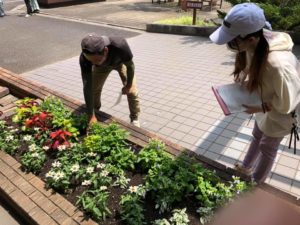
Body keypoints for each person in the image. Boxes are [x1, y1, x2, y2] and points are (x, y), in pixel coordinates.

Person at [209, 3, 300, 184]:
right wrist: (243, 76)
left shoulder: (277, 64)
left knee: (267, 147)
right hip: (264, 102)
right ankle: (246, 167)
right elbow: (252, 65)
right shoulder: (258, 41)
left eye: (233, 41)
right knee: (258, 134)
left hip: (283, 110)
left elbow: (286, 103)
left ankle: (256, 183)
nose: (229, 45)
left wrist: (258, 107)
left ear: (250, 39)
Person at [80, 33, 141, 128]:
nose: (92, 64)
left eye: (96, 60)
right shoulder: (85, 58)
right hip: (102, 68)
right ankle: (95, 111)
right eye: (90, 61)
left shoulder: (120, 45)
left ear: (105, 50)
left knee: (132, 91)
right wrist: (90, 115)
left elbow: (130, 66)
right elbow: (87, 86)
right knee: (94, 89)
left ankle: (134, 118)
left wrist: (128, 85)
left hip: (121, 63)